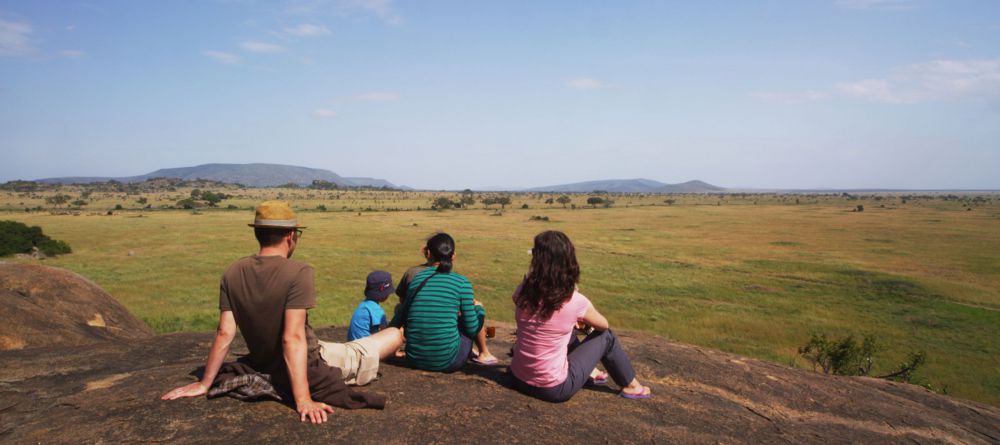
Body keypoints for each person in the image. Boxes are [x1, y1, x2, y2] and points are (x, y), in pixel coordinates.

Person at [161, 201, 403, 424]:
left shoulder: (232, 272)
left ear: (258, 233)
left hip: (270, 360)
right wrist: (303, 399)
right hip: (306, 363)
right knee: (393, 335)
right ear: (290, 235)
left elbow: (224, 332)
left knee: (343, 345)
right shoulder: (299, 272)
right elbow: (292, 337)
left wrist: (205, 383)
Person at [510, 230, 651, 402]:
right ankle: (632, 386)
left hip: (517, 378)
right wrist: (577, 317)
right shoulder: (573, 300)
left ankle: (591, 372)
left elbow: (516, 300)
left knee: (566, 332)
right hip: (553, 389)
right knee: (607, 337)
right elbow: (603, 326)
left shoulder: (523, 291)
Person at [389, 232, 492, 371]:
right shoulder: (462, 282)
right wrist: (479, 309)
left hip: (414, 359)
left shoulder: (417, 279)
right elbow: (472, 329)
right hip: (448, 362)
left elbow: (399, 318)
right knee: (465, 320)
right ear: (453, 256)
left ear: (428, 253)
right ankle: (480, 353)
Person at [347, 271, 392, 341]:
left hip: (352, 344)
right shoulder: (376, 310)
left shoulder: (364, 305)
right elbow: (384, 333)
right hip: (364, 346)